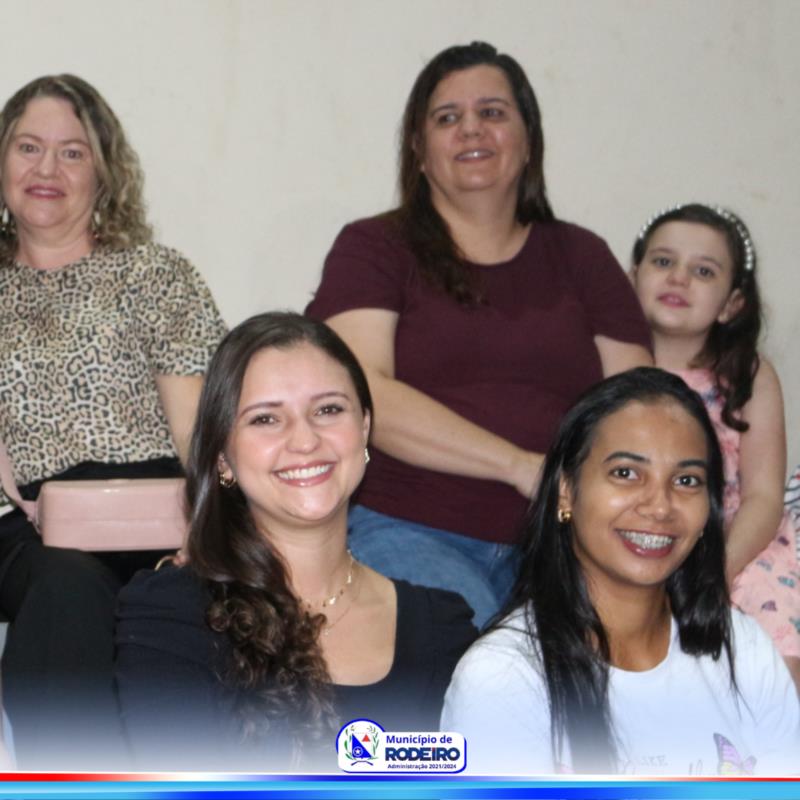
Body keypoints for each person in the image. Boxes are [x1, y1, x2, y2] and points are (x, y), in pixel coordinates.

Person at [306, 41, 652, 627]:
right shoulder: (375, 248)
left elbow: (640, 410)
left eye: (492, 112)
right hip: (407, 525)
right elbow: (359, 394)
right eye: (447, 118)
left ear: (528, 139)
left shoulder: (584, 256)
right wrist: (518, 466)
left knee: (595, 661)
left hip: (564, 541)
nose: (471, 129)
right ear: (418, 151)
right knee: (482, 654)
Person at [114, 312, 477, 771]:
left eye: (328, 410)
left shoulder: (441, 627)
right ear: (223, 457)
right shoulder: (171, 614)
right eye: (265, 418)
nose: (304, 440)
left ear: (365, 429)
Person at [0, 74, 226, 767]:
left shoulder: (155, 275)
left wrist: (209, 528)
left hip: (152, 511)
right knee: (65, 584)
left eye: (72, 152)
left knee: (180, 594)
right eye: (28, 147)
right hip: (26, 521)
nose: (47, 169)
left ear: (104, 173)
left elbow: (199, 430)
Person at [442, 368, 800, 775]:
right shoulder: (501, 678)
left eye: (686, 480)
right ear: (565, 491)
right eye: (626, 473)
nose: (660, 506)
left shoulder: (743, 648)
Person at [631, 203, 800, 691]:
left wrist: (714, 572)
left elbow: (763, 497)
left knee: (773, 667)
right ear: (631, 278)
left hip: (737, 548)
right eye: (663, 261)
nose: (679, 278)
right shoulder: (610, 370)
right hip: (639, 538)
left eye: (703, 271)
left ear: (732, 304)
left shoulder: (749, 376)